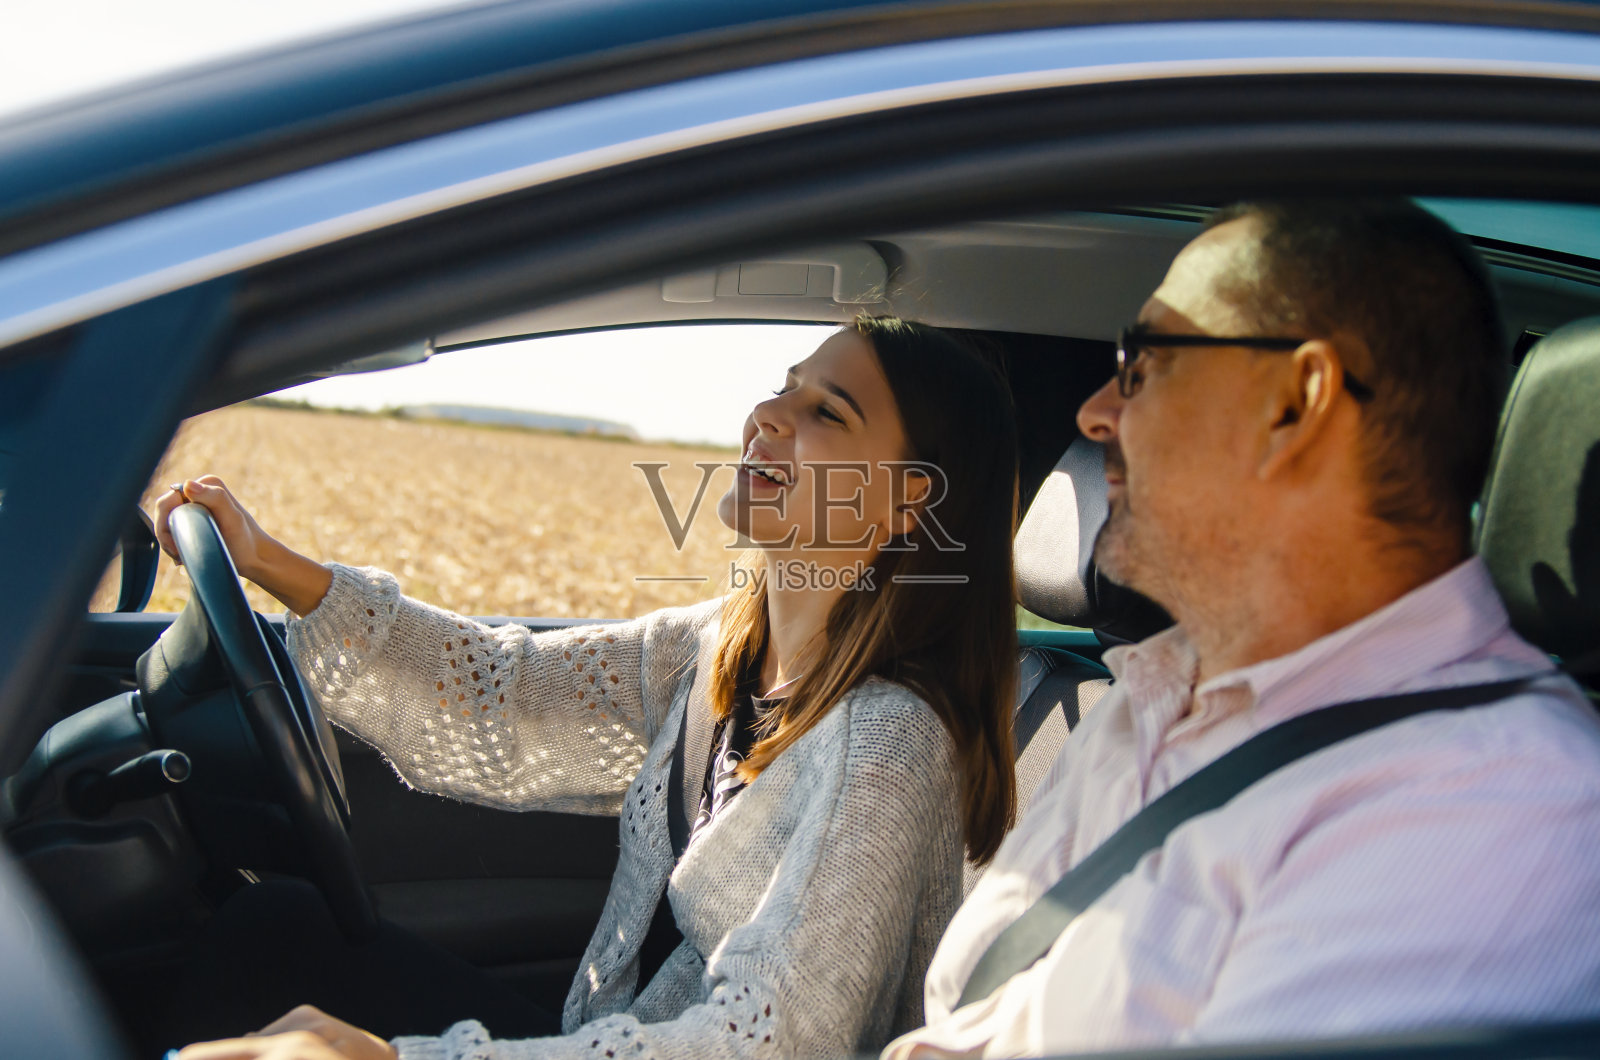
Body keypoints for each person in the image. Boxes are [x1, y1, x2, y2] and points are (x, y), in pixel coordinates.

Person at [160, 317, 1021, 1060]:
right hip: (608, 1031)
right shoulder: (717, 647)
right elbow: (506, 692)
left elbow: (771, 1040)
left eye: (826, 411)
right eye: (784, 389)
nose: (768, 416)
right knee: (274, 929)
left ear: (909, 502)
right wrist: (269, 562)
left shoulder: (887, 746)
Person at [886, 199, 1600, 1058]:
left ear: (1296, 404)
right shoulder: (1142, 701)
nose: (1095, 413)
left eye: (1141, 364)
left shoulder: (1496, 803)